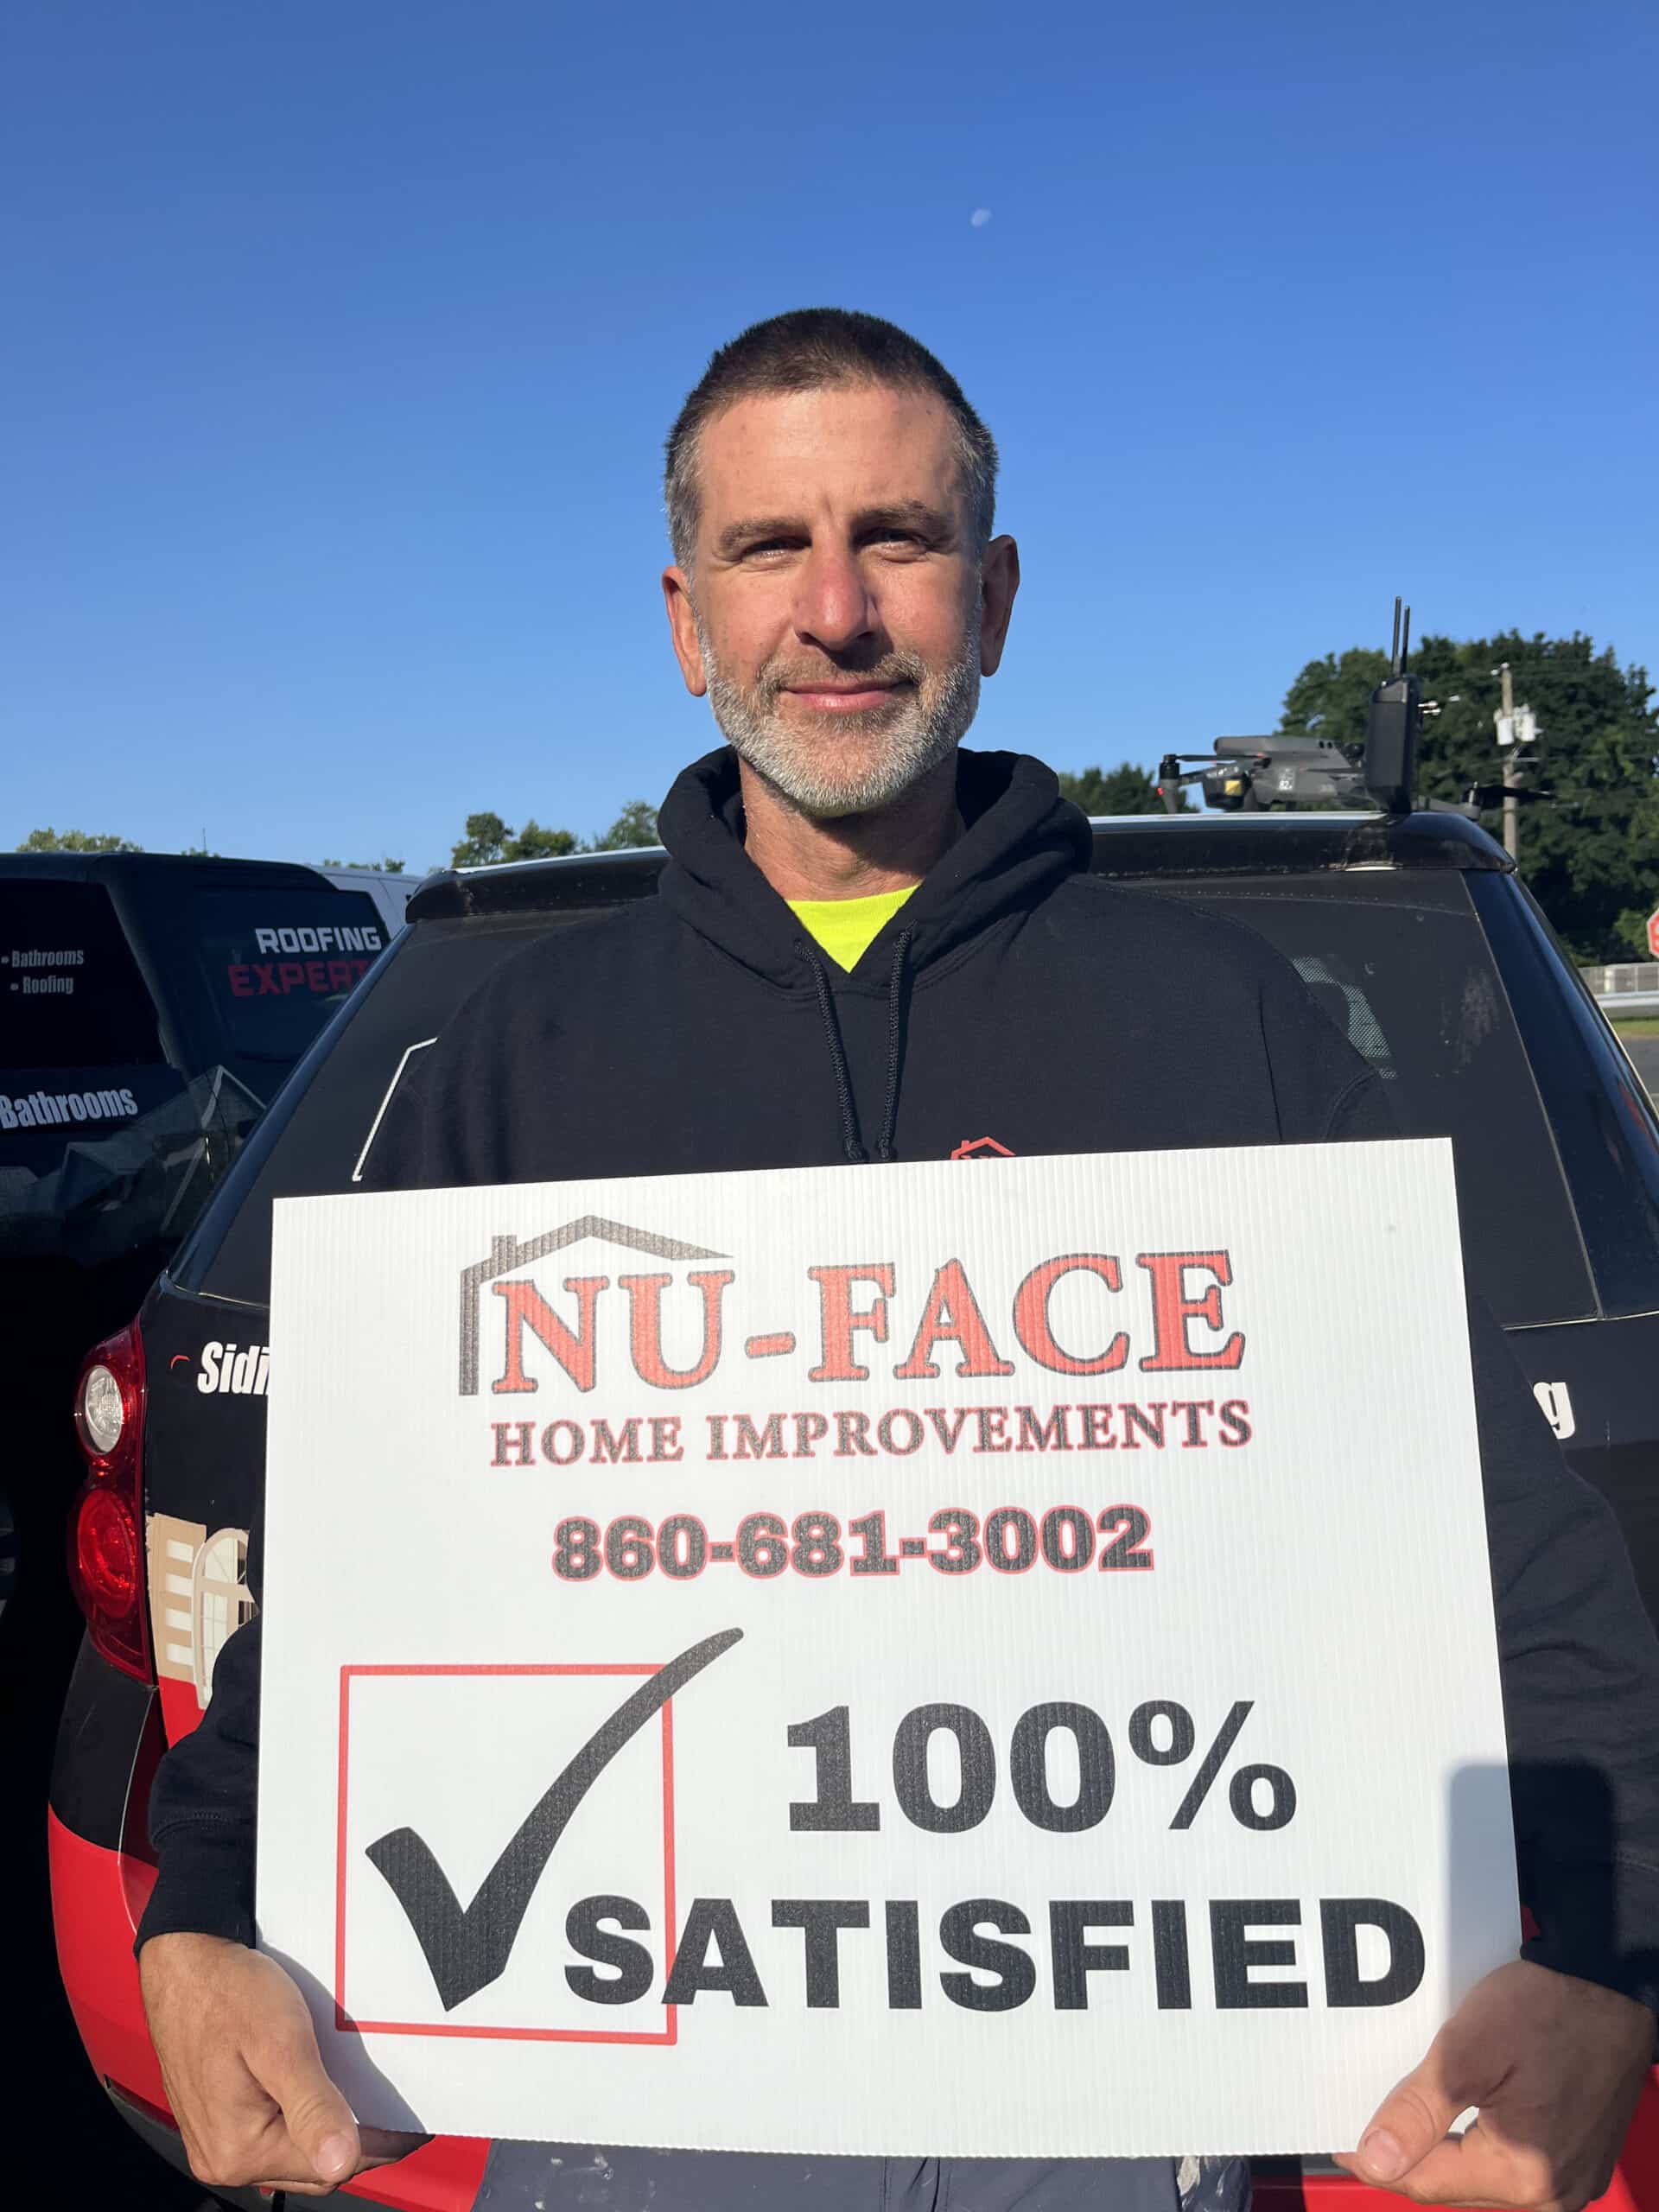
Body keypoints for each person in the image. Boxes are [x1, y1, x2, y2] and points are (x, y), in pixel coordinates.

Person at [138, 309, 1659, 2211]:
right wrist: (203, 1902)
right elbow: (364, 1582)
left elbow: (1498, 1528)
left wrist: (1615, 1939)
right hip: (638, 2096)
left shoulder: (1234, 1031)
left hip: (1138, 2091)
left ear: (993, 597)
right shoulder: (512, 1069)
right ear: (687, 619)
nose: (838, 611)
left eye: (899, 540)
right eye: (770, 546)